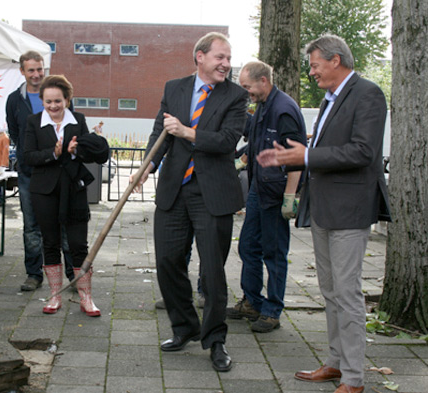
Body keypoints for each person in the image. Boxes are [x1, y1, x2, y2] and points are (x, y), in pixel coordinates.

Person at [256, 34, 391, 393]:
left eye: (315, 64)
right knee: (330, 291)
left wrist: (307, 156)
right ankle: (335, 363)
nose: (311, 72)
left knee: (346, 294)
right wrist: (302, 151)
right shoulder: (330, 98)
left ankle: (354, 379)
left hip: (350, 211)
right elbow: (329, 147)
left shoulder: (368, 94)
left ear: (335, 60)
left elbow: (363, 152)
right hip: (324, 208)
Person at [131, 32, 247, 372]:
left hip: (212, 193)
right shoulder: (175, 88)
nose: (226, 64)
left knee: (212, 272)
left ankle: (215, 341)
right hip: (174, 191)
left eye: (228, 58)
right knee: (168, 261)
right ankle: (184, 328)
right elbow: (160, 133)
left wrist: (188, 132)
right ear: (199, 56)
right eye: (220, 57)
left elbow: (227, 142)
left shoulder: (235, 96)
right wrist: (146, 167)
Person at [227, 61, 306, 333]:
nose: (247, 92)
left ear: (263, 81)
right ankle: (252, 301)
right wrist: (242, 160)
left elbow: (297, 156)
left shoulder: (284, 110)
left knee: (274, 253)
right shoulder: (262, 106)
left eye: (248, 87)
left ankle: (272, 311)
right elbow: (256, 141)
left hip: (275, 194)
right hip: (258, 190)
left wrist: (290, 196)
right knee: (248, 246)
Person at [24, 75, 109, 316]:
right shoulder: (33, 122)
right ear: (42, 101)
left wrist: (76, 150)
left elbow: (89, 153)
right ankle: (54, 297)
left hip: (73, 189)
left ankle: (86, 298)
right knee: (49, 243)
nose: (53, 106)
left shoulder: (78, 120)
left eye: (58, 101)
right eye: (48, 101)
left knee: (78, 244)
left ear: (67, 99)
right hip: (45, 190)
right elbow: (28, 156)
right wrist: (54, 152)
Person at [6, 51, 75, 292]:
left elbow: (72, 126)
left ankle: (72, 276)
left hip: (60, 172)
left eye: (39, 69)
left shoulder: (59, 94)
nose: (36, 74)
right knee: (32, 226)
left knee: (64, 224)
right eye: (31, 70)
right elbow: (15, 133)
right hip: (30, 173)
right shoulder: (15, 100)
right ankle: (33, 274)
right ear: (22, 72)